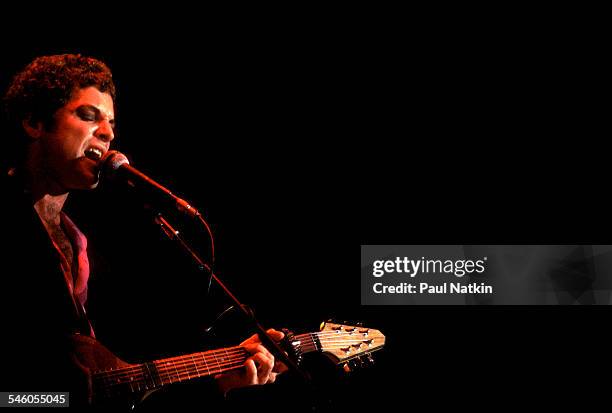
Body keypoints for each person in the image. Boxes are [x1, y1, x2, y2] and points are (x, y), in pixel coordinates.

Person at [0, 54, 286, 408]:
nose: (107, 133)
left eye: (111, 123)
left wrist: (221, 380)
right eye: (89, 117)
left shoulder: (83, 247)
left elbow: (119, 388)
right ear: (33, 122)